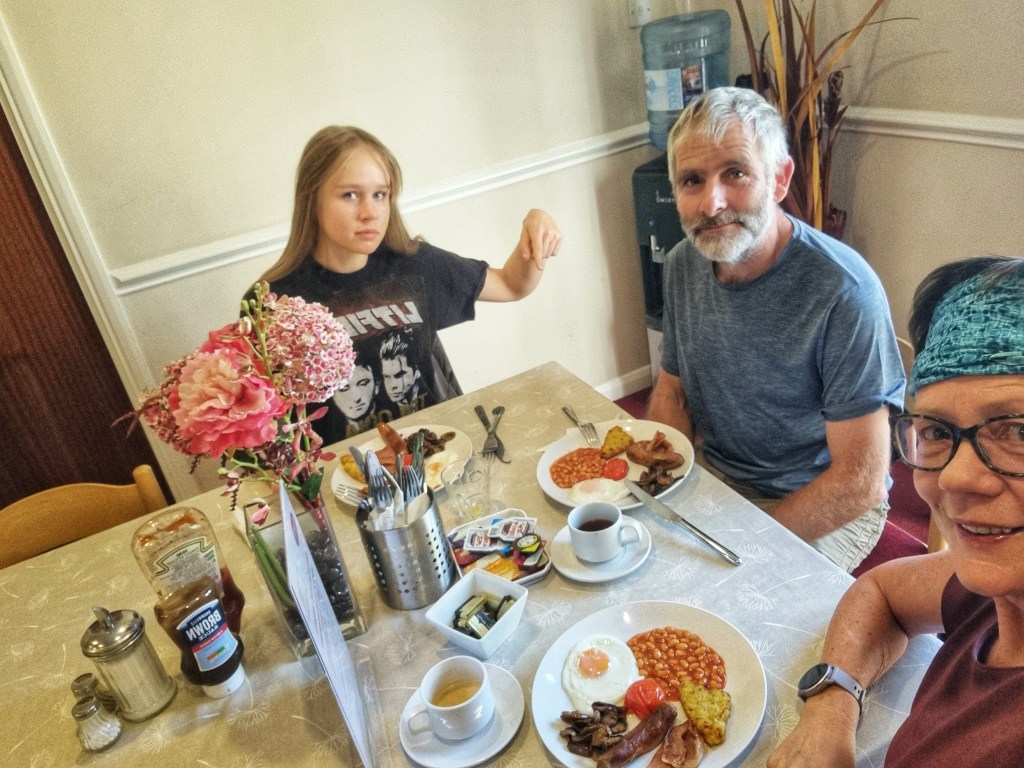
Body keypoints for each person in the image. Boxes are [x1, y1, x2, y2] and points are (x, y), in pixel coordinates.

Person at [768, 256, 1024, 767]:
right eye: (937, 431)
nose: (953, 477)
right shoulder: (995, 584)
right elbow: (882, 592)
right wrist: (831, 706)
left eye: (1018, 430)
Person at [647, 87, 905, 572]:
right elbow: (673, 392)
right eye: (692, 180)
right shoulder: (683, 264)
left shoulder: (844, 290)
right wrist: (657, 484)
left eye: (736, 173)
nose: (711, 203)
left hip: (822, 497)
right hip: (719, 475)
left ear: (780, 179)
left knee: (735, 599)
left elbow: (859, 482)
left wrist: (751, 546)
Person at [256, 126, 562, 443]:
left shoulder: (416, 265)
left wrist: (535, 221)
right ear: (312, 199)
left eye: (380, 194)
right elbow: (266, 426)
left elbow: (512, 285)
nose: (370, 212)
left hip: (437, 451)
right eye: (350, 195)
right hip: (343, 468)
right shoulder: (274, 302)